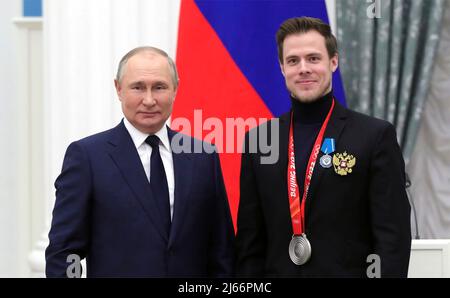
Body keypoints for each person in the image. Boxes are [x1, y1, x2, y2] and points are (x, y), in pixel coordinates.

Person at [235, 17, 411, 278]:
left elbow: (392, 239)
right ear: (282, 68)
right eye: (293, 61)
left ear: (334, 62)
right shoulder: (260, 140)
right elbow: (250, 243)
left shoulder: (374, 136)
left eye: (313, 58)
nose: (303, 68)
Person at [45, 46, 235, 277]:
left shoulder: (203, 157)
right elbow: (65, 252)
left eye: (159, 87)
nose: (149, 100)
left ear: (175, 89)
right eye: (138, 87)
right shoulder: (87, 158)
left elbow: (221, 251)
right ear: (118, 89)